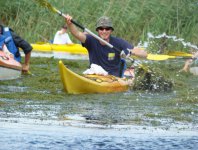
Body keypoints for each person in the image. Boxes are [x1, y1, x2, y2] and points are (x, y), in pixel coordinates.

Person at [65, 15, 147, 77]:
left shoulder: (119, 42)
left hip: (113, 78)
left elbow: (144, 53)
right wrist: (70, 24)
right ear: (97, 30)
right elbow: (77, 34)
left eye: (107, 29)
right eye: (101, 28)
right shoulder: (91, 40)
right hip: (95, 75)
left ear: (111, 30)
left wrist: (130, 52)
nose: (104, 31)